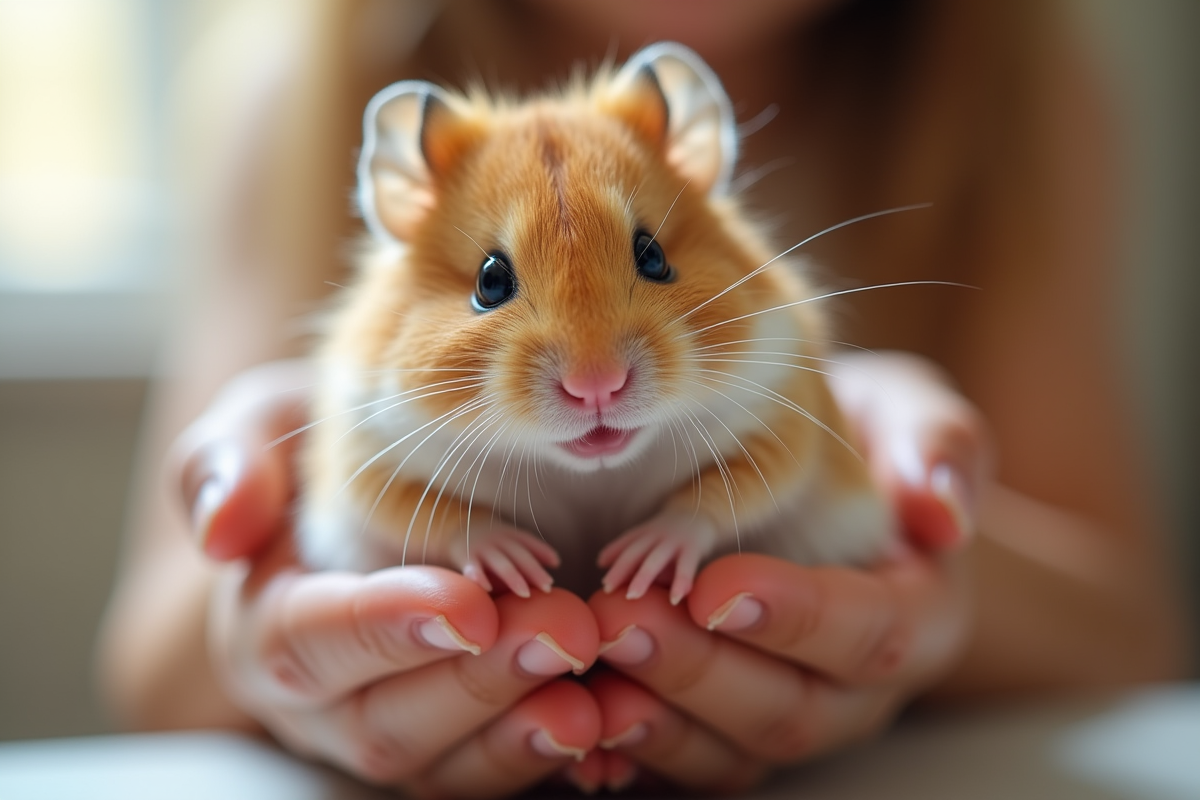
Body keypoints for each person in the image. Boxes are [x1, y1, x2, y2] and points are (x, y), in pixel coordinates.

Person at [98, 0, 1191, 795]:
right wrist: (314, 592)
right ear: (402, 203)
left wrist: (878, 555)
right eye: (495, 283)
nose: (593, 374)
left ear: (702, 162)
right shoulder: (291, 91)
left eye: (654, 263)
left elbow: (1136, 639)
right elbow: (161, 668)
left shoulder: (1015, 104)